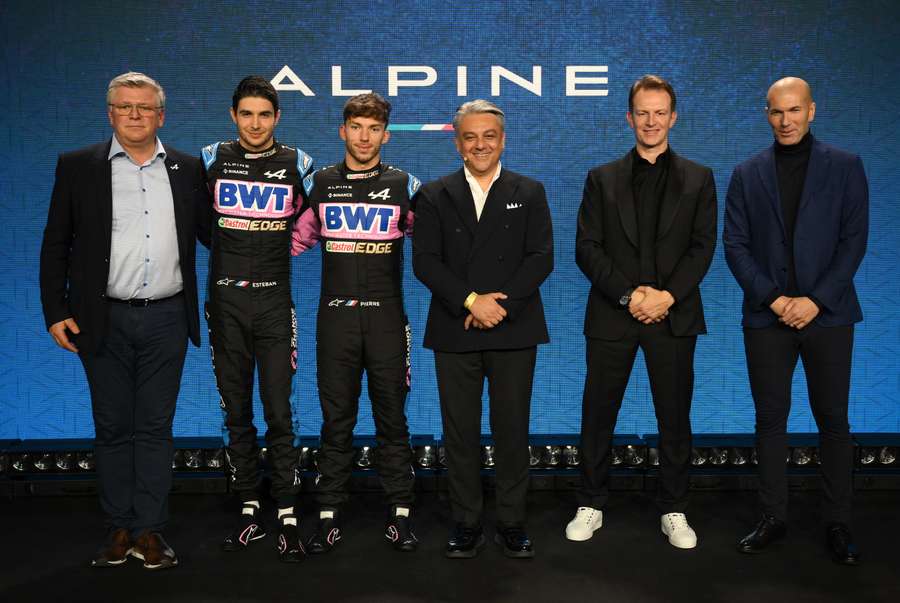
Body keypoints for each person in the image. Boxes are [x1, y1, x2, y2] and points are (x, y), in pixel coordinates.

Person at [39, 71, 210, 570]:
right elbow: (56, 244)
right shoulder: (77, 167)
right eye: (124, 107)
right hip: (101, 320)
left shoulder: (187, 168)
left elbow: (212, 234)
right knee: (113, 427)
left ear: (161, 115)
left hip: (167, 319)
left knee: (155, 428)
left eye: (144, 107)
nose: (135, 115)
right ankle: (118, 528)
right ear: (110, 113)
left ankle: (150, 532)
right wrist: (56, 311)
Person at [568, 75, 717, 549]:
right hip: (614, 314)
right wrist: (630, 295)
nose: (651, 122)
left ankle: (674, 509)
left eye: (660, 113)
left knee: (675, 417)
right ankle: (591, 502)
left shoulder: (699, 177)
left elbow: (702, 247)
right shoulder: (601, 178)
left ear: (673, 117)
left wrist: (666, 297)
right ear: (629, 118)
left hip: (673, 316)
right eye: (642, 113)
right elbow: (587, 248)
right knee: (598, 414)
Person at [724, 77, 867, 565]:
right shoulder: (747, 173)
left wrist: (816, 301)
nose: (785, 120)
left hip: (828, 318)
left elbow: (854, 241)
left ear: (812, 111)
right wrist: (776, 299)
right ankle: (773, 516)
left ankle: (838, 522)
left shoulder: (846, 166)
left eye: (794, 110)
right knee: (770, 421)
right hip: (768, 318)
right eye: (776, 112)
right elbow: (735, 246)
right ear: (767, 114)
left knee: (833, 421)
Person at [412, 99, 553, 559]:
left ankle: (512, 521)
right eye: (470, 137)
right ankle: (466, 521)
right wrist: (472, 301)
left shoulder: (529, 191)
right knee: (460, 432)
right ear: (457, 143)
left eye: (488, 136)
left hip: (514, 327)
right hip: (457, 328)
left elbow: (540, 258)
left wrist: (499, 306)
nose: (480, 145)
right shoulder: (433, 194)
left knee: (512, 429)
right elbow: (425, 262)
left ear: (502, 140)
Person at [292, 92, 420, 554]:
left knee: (393, 420)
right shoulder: (321, 183)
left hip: (388, 319)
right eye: (356, 128)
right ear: (342, 130)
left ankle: (400, 516)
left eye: (374, 129)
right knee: (336, 420)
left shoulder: (405, 185)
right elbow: (286, 243)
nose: (364, 137)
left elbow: (440, 243)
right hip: (336, 320)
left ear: (385, 135)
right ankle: (328, 515)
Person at [202, 76, 314, 563]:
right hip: (224, 303)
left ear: (277, 118)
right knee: (236, 410)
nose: (255, 123)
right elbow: (193, 220)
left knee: (278, 408)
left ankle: (287, 508)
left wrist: (281, 249)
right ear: (233, 116)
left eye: (264, 115)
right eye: (246, 114)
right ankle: (249, 504)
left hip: (274, 302)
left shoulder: (299, 163)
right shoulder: (210, 158)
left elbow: (319, 215)